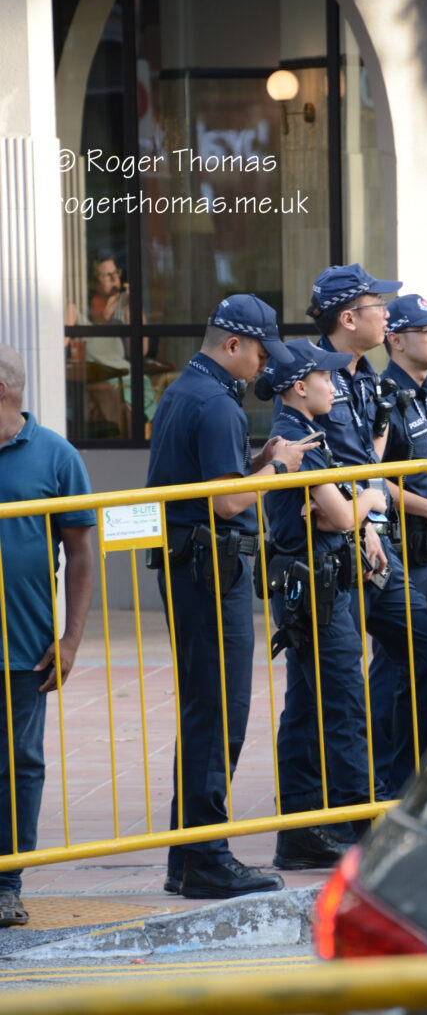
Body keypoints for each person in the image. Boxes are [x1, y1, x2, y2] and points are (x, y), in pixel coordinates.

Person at [146, 294, 317, 899]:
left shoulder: (182, 391)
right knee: (220, 715)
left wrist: (258, 459)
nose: (264, 367)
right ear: (233, 345)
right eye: (261, 353)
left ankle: (188, 857)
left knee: (203, 710)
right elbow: (225, 502)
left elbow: (210, 481)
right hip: (210, 572)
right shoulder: (217, 405)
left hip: (191, 568)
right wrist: (277, 470)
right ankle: (207, 858)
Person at [305, 264, 427, 796]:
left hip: (380, 546)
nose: (386, 312)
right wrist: (369, 513)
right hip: (340, 549)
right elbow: (333, 468)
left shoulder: (366, 379)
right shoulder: (316, 375)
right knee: (340, 687)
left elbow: (365, 462)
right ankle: (343, 804)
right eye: (378, 306)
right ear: (351, 317)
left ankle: (391, 787)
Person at [256, 339, 391, 869]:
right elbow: (337, 514)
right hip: (316, 590)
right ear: (298, 386)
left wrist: (356, 514)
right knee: (343, 707)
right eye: (325, 379)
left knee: (308, 707)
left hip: (317, 584)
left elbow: (337, 512)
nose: (335, 386)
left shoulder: (304, 433)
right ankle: (361, 826)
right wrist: (373, 501)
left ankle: (300, 829)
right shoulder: (295, 439)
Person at [0, 345, 95, 927]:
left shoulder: (56, 456)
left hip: (21, 646)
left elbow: (83, 554)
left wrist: (70, 640)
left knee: (17, 765)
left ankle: (7, 882)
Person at [369, 293, 427, 747]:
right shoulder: (384, 399)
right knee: (395, 668)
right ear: (396, 341)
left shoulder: (426, 395)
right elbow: (370, 478)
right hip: (403, 553)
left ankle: (423, 770)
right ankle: (382, 783)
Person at [65, 253, 158, 427]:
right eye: (107, 275)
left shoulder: (125, 305)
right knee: (117, 407)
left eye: (116, 273)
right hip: (96, 382)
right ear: (92, 283)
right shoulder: (77, 309)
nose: (115, 279)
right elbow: (58, 346)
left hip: (127, 378)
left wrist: (133, 309)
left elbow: (138, 352)